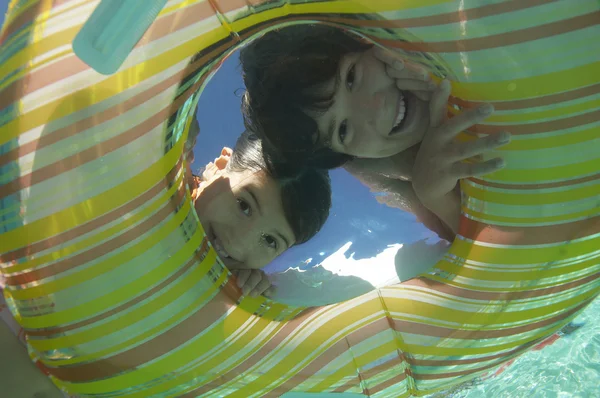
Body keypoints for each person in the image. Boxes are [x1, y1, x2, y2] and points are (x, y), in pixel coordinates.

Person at [240, 24, 511, 241]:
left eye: (351, 77)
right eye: (343, 129)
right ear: (348, 155)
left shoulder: (426, 29)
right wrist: (438, 197)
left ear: (365, 38)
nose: (376, 107)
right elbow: (475, 252)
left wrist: (438, 61)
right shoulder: (389, 170)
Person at [187, 129, 332, 297]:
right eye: (243, 206)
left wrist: (245, 292)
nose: (238, 244)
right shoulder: (164, 183)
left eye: (270, 241)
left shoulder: (235, 284)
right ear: (219, 167)